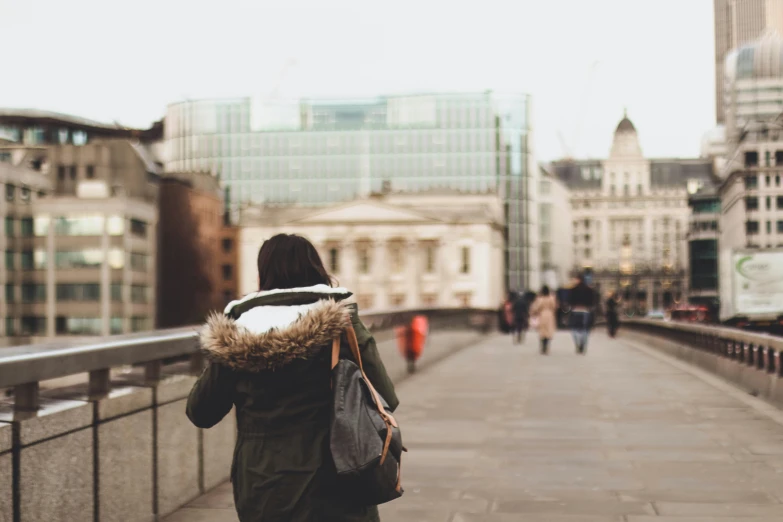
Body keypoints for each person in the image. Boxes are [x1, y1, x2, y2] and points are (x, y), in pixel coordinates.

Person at [186, 233, 398, 522]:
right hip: (338, 477)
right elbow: (386, 396)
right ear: (316, 270)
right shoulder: (341, 325)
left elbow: (201, 412)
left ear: (263, 275)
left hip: (262, 483)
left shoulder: (235, 333)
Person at [569, 273, 596, 354]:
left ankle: (577, 343)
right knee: (585, 329)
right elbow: (592, 302)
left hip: (575, 310)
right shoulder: (589, 290)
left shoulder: (573, 290)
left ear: (578, 280)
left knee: (574, 329)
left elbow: (569, 301)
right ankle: (583, 344)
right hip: (586, 311)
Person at [530, 286, 556, 354]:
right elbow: (554, 306)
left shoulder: (540, 299)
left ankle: (543, 346)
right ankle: (547, 346)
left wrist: (533, 313)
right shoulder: (551, 298)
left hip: (541, 315)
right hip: (550, 315)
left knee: (542, 331)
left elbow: (536, 307)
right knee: (548, 330)